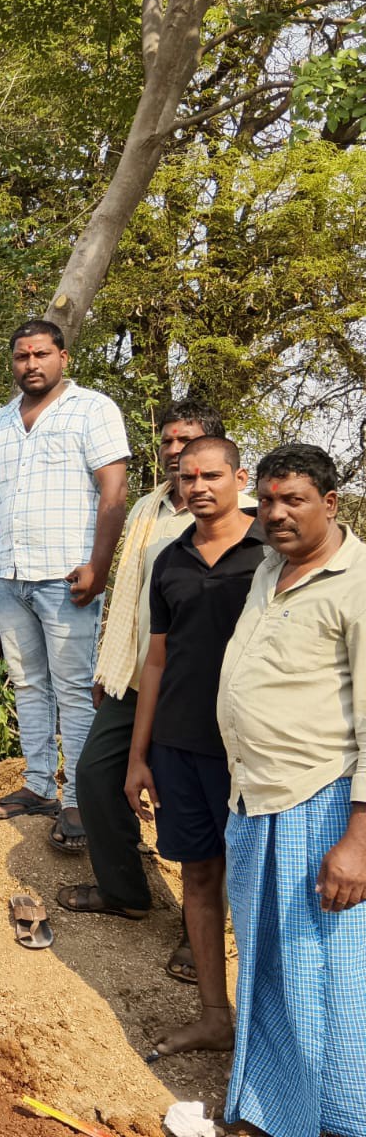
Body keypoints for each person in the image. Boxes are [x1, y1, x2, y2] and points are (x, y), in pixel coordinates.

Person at [215, 444, 366, 1137]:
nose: (275, 514)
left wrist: (357, 841)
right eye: (268, 500)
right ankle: (274, 1110)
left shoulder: (357, 583)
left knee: (325, 974)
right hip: (256, 796)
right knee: (269, 964)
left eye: (293, 500)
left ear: (330, 504)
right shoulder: (270, 567)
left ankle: (341, 1118)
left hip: (323, 802)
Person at [58, 400, 229, 987]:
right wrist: (108, 667)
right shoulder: (148, 507)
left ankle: (199, 932)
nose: (176, 452)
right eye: (168, 441)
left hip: (197, 688)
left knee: (194, 800)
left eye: (188, 441)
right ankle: (124, 891)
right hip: (134, 674)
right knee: (95, 774)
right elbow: (128, 594)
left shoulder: (236, 518)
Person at [122, 437, 262, 1062]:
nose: (198, 486)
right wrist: (139, 756)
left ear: (240, 477)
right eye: (187, 477)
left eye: (211, 475)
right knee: (199, 876)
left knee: (259, 888)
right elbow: (156, 659)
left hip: (253, 750)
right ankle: (213, 1017)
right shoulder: (169, 558)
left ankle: (268, 1033)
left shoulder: (274, 549)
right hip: (179, 745)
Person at [0, 320, 130, 854]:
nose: (31, 364)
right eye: (22, 356)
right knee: (27, 683)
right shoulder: (1, 420)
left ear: (63, 357)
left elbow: (114, 490)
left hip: (67, 574)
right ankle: (40, 785)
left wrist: (99, 564)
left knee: (73, 688)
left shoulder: (93, 409)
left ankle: (81, 798)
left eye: (41, 354)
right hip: (10, 571)